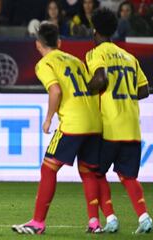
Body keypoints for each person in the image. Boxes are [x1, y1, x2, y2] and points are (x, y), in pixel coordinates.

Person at [12, 21, 103, 235]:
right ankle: (94, 223)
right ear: (59, 42)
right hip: (94, 121)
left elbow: (55, 91)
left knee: (48, 168)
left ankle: (37, 222)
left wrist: (48, 118)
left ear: (37, 45)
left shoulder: (45, 63)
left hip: (73, 123)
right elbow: (93, 87)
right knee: (88, 172)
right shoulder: (76, 60)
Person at [86, 8, 153, 234]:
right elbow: (145, 90)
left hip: (109, 126)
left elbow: (101, 79)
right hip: (132, 125)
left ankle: (111, 218)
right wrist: (125, 94)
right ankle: (144, 218)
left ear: (95, 31)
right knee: (128, 175)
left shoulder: (96, 53)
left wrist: (87, 90)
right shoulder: (129, 57)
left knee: (95, 172)